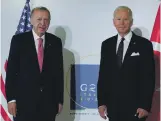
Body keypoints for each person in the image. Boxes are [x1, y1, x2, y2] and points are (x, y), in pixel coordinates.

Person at [5, 6, 64, 121]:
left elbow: (59, 73)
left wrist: (59, 100)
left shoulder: (56, 42)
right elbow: (11, 72)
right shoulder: (19, 40)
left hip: (49, 105)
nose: (43, 23)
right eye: (39, 19)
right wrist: (11, 99)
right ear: (31, 21)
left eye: (46, 20)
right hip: (23, 105)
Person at [97, 6, 155, 121]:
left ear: (131, 22)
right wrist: (102, 102)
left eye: (126, 19)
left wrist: (145, 106)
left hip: (136, 109)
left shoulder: (144, 45)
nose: (122, 23)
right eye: (118, 19)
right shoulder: (106, 45)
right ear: (114, 22)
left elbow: (149, 78)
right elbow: (103, 76)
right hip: (113, 108)